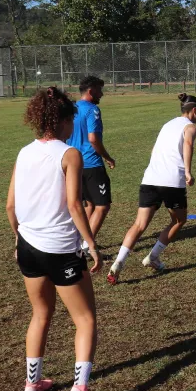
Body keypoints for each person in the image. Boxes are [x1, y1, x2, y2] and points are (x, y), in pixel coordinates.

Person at [7, 87, 105, 391]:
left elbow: (10, 207)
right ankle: (80, 388)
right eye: (70, 120)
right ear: (63, 119)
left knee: (40, 314)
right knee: (86, 319)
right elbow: (76, 205)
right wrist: (91, 244)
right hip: (61, 249)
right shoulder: (69, 154)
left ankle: (32, 384)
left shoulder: (23, 152)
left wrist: (18, 240)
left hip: (29, 248)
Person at [107, 94, 196, 284]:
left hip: (150, 178)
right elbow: (188, 143)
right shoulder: (191, 127)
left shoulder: (167, 125)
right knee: (179, 220)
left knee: (139, 225)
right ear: (194, 111)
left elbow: (153, 150)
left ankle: (118, 263)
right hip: (172, 181)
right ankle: (152, 257)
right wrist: (188, 172)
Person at [68, 75, 116, 258]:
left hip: (74, 165)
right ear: (91, 91)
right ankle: (88, 247)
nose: (101, 94)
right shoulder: (92, 110)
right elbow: (93, 139)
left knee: (89, 205)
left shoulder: (71, 109)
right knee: (102, 206)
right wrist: (107, 157)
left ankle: (81, 242)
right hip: (91, 164)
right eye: (99, 90)